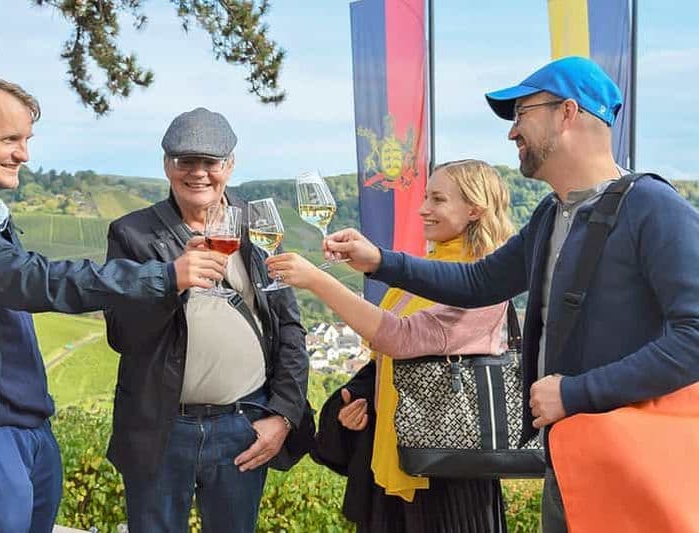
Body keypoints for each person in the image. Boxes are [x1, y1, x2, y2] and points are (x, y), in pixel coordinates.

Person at [319, 56, 699, 533]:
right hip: (570, 455)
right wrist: (380, 260)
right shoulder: (550, 215)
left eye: (522, 114)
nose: (512, 133)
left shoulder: (653, 207)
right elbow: (478, 284)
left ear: (567, 113)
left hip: (637, 462)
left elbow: (694, 338)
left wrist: (576, 392)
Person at [0, 77, 228, 533]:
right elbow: (33, 280)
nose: (24, 154)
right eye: (10, 139)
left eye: (27, 140)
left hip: (30, 430)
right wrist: (164, 276)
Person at [267, 159, 514, 532]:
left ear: (475, 210)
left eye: (438, 199)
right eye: (425, 196)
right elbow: (389, 358)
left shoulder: (483, 280)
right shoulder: (429, 266)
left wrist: (317, 280)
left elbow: (399, 337)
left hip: (452, 470)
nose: (423, 208)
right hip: (395, 459)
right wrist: (358, 402)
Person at [103, 107, 310, 533]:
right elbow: (122, 334)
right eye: (185, 161)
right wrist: (170, 281)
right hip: (161, 429)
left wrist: (283, 415)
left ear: (229, 166)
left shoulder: (258, 228)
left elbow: (290, 328)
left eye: (210, 162)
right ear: (167, 166)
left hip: (243, 426)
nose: (199, 173)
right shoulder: (132, 234)